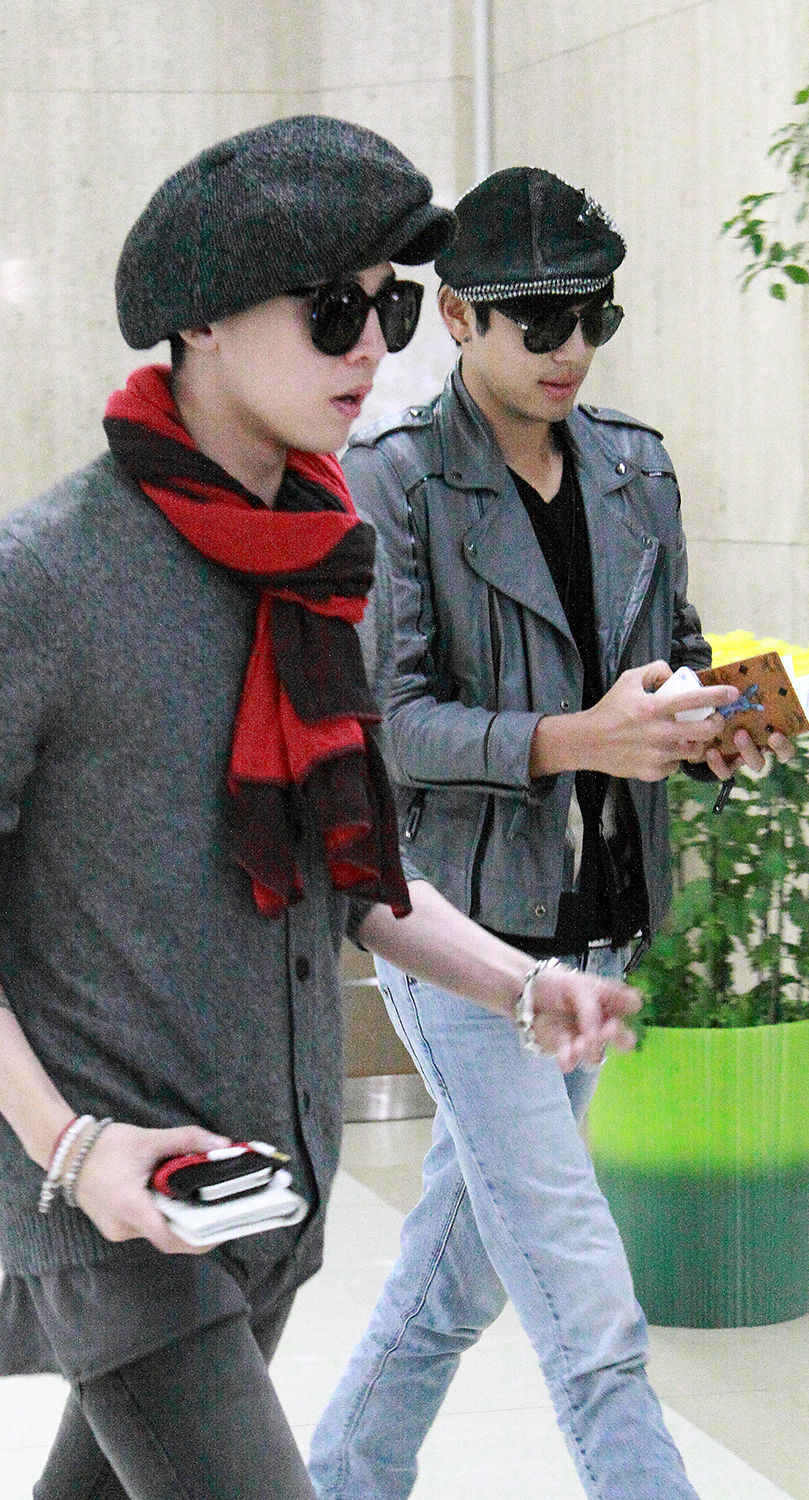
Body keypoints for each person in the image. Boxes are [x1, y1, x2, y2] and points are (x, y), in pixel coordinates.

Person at [0, 128, 640, 1500]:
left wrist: (521, 984)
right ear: (203, 323)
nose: (372, 350)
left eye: (391, 309)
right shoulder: (43, 578)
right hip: (119, 1210)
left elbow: (358, 870)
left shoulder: (320, 563)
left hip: (261, 1191)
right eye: (334, 311)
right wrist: (72, 1149)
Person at [308, 167, 793, 1500]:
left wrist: (708, 725)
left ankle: (339, 1478)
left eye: (595, 317)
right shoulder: (391, 481)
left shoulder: (636, 465)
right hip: (463, 934)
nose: (571, 347)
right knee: (588, 1306)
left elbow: (672, 656)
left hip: (603, 919)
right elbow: (389, 724)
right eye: (540, 321)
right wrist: (579, 738)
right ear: (459, 318)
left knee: (458, 1274)